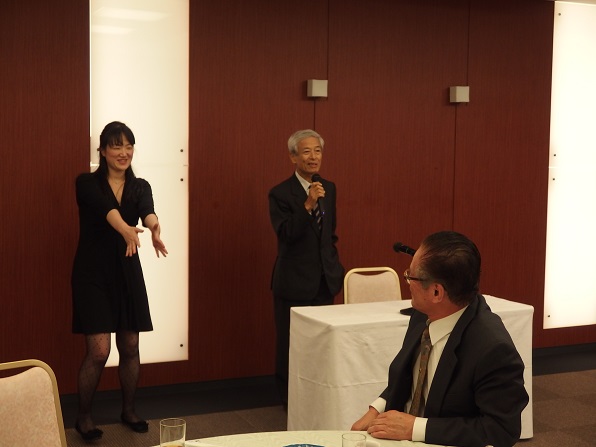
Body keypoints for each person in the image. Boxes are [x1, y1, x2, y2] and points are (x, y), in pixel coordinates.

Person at [351, 231, 528, 447]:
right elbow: (410, 376)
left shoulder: (493, 349)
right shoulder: (423, 313)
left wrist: (414, 428)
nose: (407, 282)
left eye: (410, 276)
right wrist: (377, 409)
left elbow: (501, 430)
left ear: (436, 292)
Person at [71, 121, 168, 441]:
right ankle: (83, 417)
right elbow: (106, 209)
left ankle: (129, 410)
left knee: (130, 345)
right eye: (116, 146)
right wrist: (125, 228)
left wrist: (154, 228)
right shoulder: (87, 182)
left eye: (128, 146)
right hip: (92, 273)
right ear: (102, 150)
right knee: (99, 351)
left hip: (127, 271)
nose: (124, 152)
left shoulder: (140, 186)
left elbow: (147, 211)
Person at [268, 129, 345, 406]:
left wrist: (334, 266)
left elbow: (329, 234)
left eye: (318, 151)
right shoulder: (280, 193)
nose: (314, 157)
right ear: (293, 157)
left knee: (320, 346)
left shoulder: (329, 188)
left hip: (324, 281)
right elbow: (287, 234)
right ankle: (290, 403)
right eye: (307, 152)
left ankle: (316, 399)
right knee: (291, 346)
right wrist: (308, 204)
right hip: (293, 283)